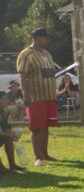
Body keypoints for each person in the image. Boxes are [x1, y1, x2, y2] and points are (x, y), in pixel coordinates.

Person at [16, 27, 59, 166]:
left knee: (45, 126)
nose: (46, 40)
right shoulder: (26, 54)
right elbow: (23, 76)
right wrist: (26, 96)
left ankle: (45, 154)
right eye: (44, 37)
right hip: (35, 97)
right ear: (36, 38)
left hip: (49, 96)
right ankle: (37, 157)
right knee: (36, 127)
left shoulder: (47, 54)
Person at [0, 92, 22, 175]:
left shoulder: (3, 112)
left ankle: (12, 166)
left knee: (9, 139)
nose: (8, 101)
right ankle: (2, 169)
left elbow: (6, 129)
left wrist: (14, 134)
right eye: (4, 99)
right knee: (8, 136)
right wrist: (9, 134)